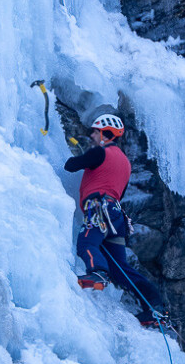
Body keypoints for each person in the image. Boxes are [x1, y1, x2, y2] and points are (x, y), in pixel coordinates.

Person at [64, 114, 167, 327]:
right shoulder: (125, 163)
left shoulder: (100, 152)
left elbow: (70, 165)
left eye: (95, 132)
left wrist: (83, 155)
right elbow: (119, 191)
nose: (92, 136)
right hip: (116, 216)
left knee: (86, 243)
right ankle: (155, 307)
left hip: (99, 208)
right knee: (120, 269)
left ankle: (98, 273)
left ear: (106, 134)